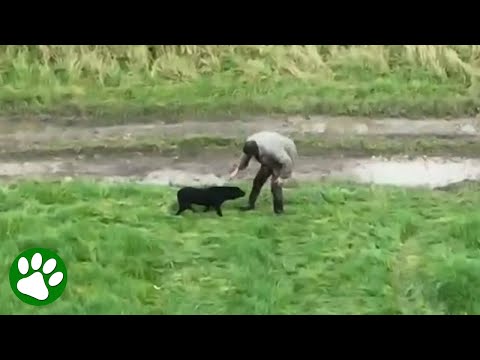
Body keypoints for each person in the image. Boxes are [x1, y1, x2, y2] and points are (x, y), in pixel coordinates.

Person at [229, 131, 297, 214]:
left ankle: (279, 211)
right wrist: (238, 169)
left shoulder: (273, 150)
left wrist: (282, 177)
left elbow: (287, 162)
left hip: (286, 152)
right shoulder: (250, 143)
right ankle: (250, 204)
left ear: (257, 151)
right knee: (258, 181)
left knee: (275, 184)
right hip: (268, 156)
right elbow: (246, 156)